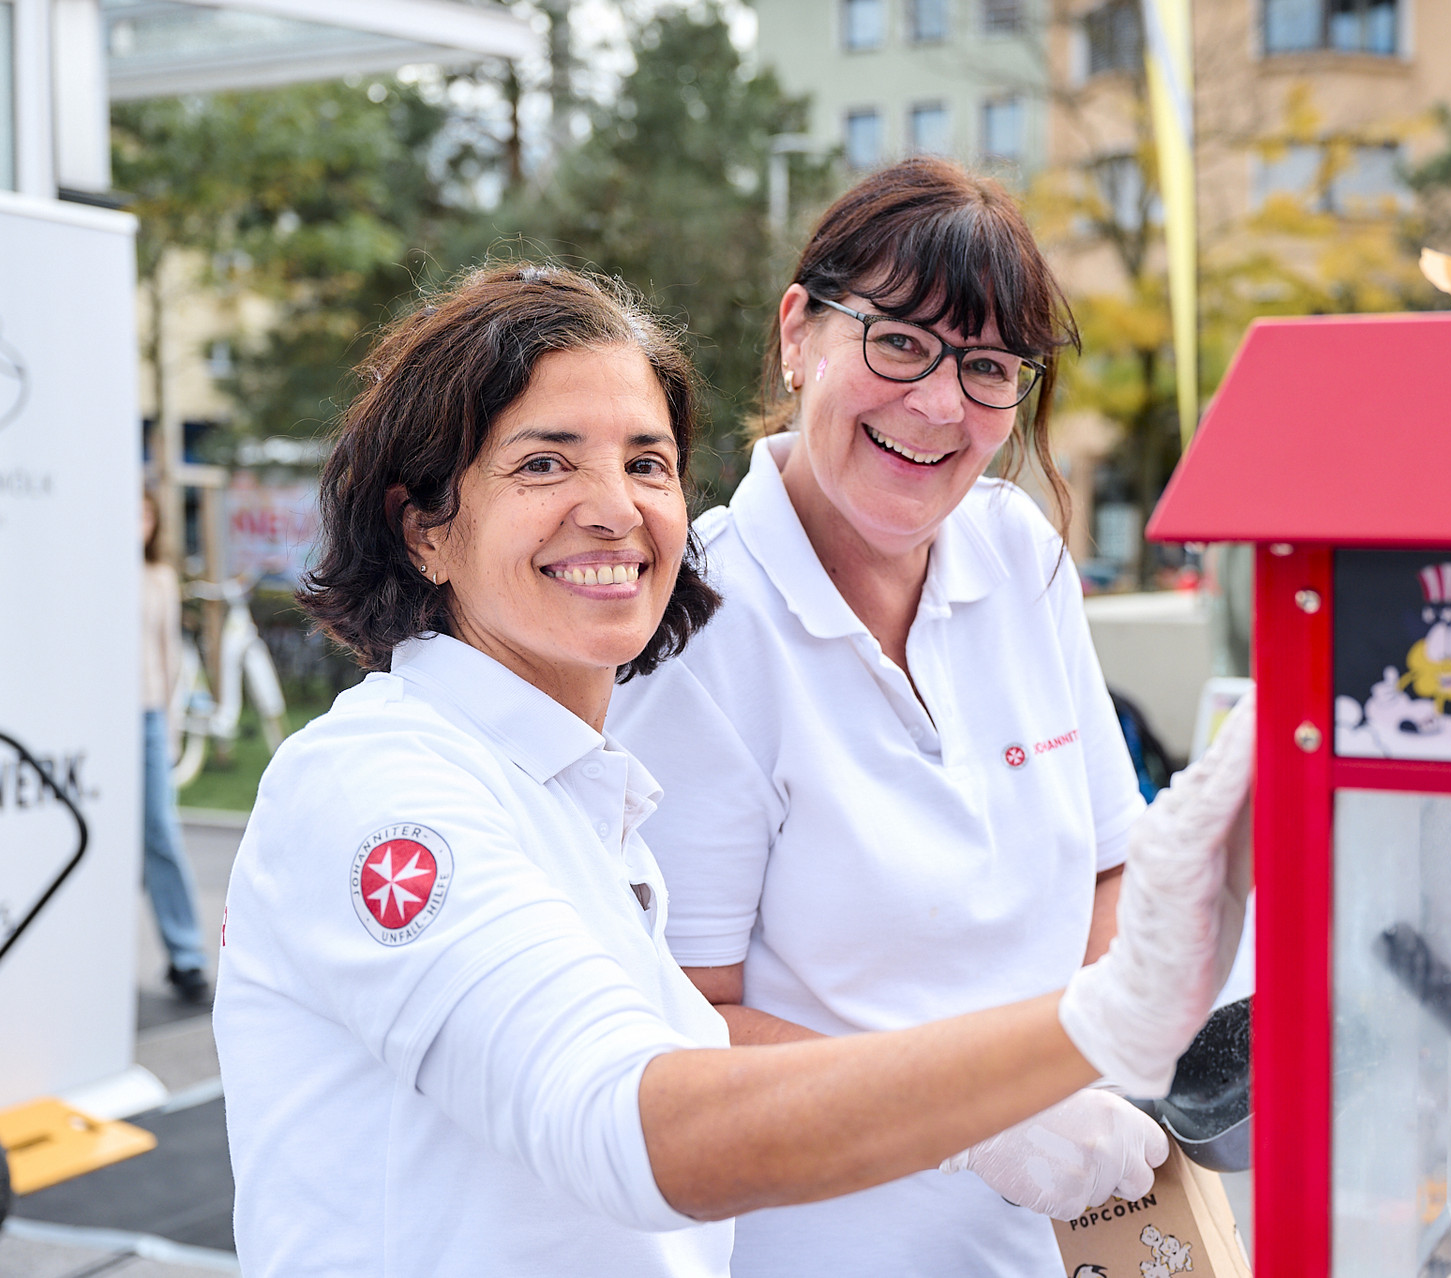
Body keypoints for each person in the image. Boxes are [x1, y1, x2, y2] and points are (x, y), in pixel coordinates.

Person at [212, 262, 1254, 1278]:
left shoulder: (584, 797)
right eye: (544, 462)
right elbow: (635, 1125)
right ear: (422, 527)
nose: (614, 507)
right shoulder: (378, 787)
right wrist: (1072, 1043)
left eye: (647, 462)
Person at [604, 157, 1193, 1275]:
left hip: (1061, 1237)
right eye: (899, 342)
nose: (937, 405)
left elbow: (1112, 867)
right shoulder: (703, 630)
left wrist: (1093, 1062)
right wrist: (980, 1120)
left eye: (985, 367)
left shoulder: (1018, 553)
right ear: (799, 332)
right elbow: (683, 1018)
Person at [140, 490, 209, 1002]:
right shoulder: (88, 571)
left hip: (145, 717)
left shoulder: (161, 579)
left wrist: (169, 729)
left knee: (160, 832)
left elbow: (168, 656)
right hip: (97, 723)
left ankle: (186, 957)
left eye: (144, 512)